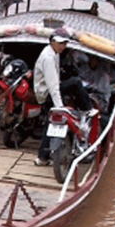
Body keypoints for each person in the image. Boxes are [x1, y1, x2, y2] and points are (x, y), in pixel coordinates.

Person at [32, 28, 94, 166]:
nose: (62, 46)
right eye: (59, 43)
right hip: (47, 93)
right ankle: (87, 110)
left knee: (49, 125)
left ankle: (42, 157)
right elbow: (53, 85)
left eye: (64, 43)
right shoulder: (48, 57)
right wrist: (59, 108)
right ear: (52, 42)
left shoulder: (54, 53)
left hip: (46, 92)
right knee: (76, 83)